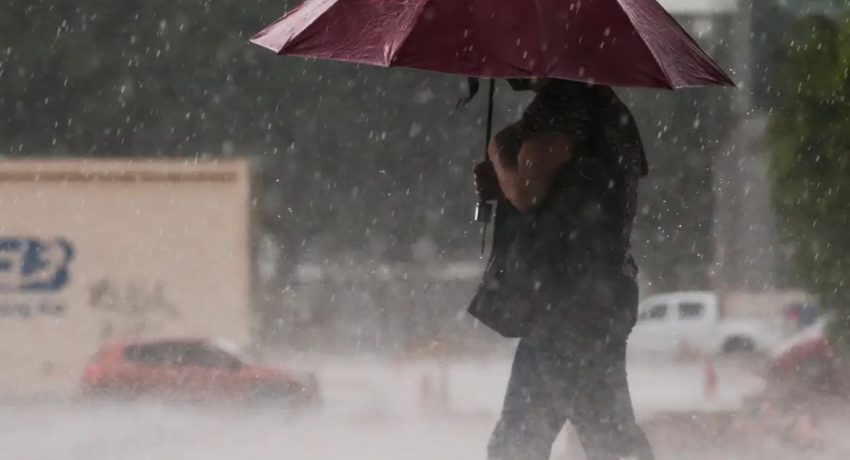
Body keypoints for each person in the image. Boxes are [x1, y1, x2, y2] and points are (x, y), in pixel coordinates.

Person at [472, 78, 654, 460]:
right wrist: (506, 181)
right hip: (597, 295)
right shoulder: (610, 109)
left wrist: (499, 153)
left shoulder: (565, 102)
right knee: (593, 433)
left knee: (532, 441)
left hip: (566, 301)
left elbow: (527, 189)